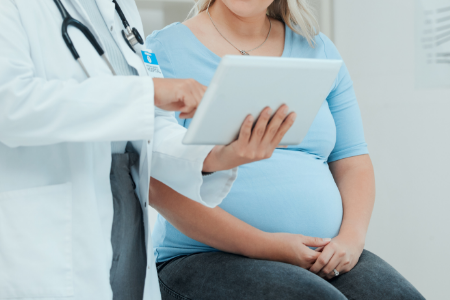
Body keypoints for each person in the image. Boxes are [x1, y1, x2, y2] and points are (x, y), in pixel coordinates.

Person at [0, 1, 294, 300]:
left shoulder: (119, 7)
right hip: (50, 237)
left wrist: (214, 157)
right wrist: (148, 93)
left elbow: (148, 123)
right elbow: (9, 103)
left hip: (126, 217)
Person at [146, 0, 425, 299]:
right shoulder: (163, 49)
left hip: (324, 250)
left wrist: (351, 240)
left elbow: (352, 159)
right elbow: (155, 184)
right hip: (202, 256)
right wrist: (264, 244)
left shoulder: (318, 49)